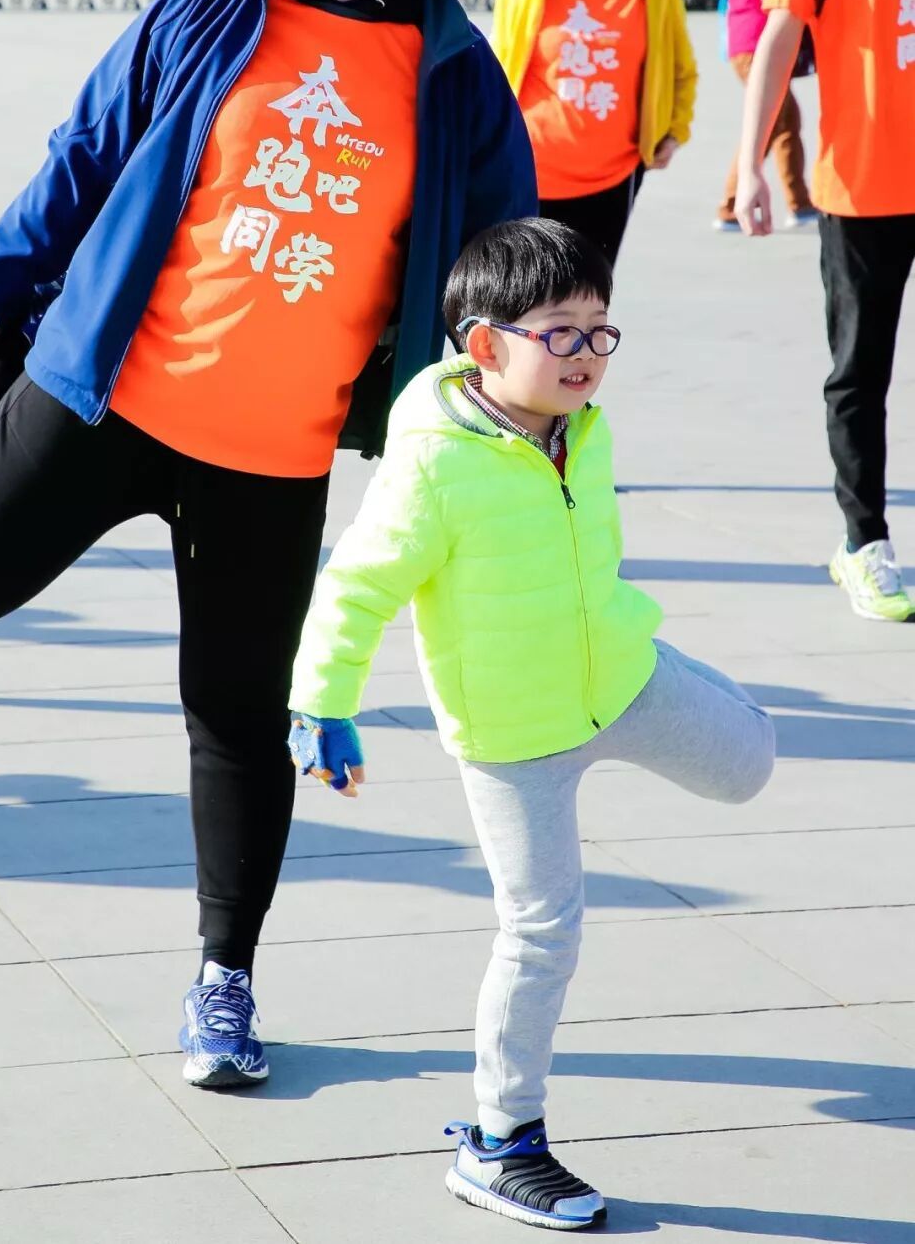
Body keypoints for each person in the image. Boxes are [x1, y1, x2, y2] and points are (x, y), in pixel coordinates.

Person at [0, 0, 536, 1087]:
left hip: (273, 451)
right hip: (113, 393)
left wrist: (526, 387)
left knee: (237, 711)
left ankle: (224, 977)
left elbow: (508, 253)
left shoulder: (459, 70)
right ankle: (1, 375)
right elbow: (89, 145)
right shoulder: (213, 7)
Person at [288, 217, 775, 1230]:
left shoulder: (582, 425)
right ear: (483, 344)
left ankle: (668, 671)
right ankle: (502, 1140)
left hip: (621, 678)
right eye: (560, 332)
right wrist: (324, 703)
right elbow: (355, 586)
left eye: (600, 329)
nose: (586, 354)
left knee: (750, 762)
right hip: (515, 738)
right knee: (542, 929)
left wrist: (632, 640)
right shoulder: (433, 467)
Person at [734, 0, 915, 622]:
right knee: (860, 372)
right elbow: (778, 39)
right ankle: (864, 542)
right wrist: (750, 165)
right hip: (863, 186)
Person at [491, 0, 697, 265]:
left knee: (590, 295)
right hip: (529, 176)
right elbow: (494, 72)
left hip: (613, 177)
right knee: (531, 296)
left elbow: (682, 70)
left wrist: (674, 131)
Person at [708, 0, 816, 232]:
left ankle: (800, 204)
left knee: (785, 120)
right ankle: (730, 206)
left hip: (741, 40)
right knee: (769, 121)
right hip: (772, 42)